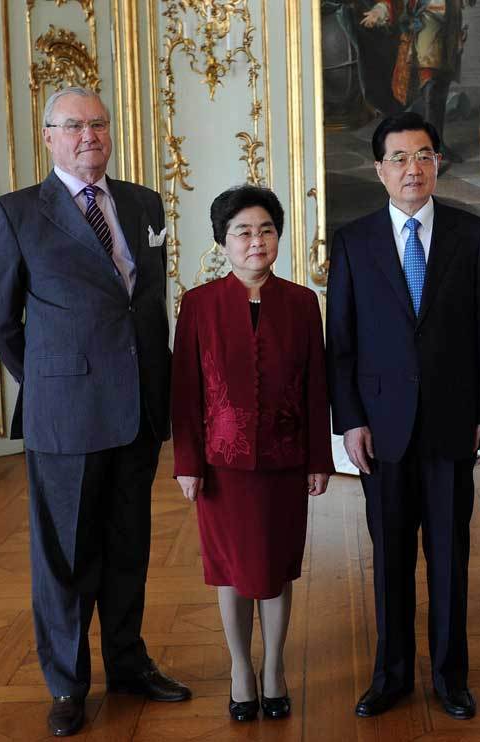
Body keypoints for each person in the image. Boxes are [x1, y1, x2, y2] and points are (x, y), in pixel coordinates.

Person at [0, 87, 190, 737]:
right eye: (73, 126)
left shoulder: (143, 202)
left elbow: (144, 305)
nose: (88, 135)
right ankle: (68, 685)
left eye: (98, 123)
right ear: (49, 137)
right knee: (65, 558)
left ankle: (128, 664)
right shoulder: (16, 213)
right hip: (65, 416)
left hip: (138, 410)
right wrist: (49, 380)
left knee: (128, 548)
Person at [327, 111, 480, 720]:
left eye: (424, 155)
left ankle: (451, 678)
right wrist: (350, 421)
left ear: (438, 163)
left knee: (451, 558)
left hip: (453, 422)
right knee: (390, 559)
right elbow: (341, 341)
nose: (414, 168)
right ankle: (391, 676)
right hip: (381, 429)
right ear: (380, 169)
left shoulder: (471, 234)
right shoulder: (353, 241)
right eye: (400, 158)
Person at [170, 185, 334, 722]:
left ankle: (274, 668)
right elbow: (185, 392)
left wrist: (319, 458)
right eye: (242, 232)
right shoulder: (199, 305)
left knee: (276, 567)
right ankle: (241, 669)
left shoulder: (303, 303)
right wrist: (188, 464)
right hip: (222, 466)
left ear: (278, 237)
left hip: (286, 462)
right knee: (231, 570)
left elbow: (316, 388)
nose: (256, 241)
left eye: (266, 230)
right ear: (223, 241)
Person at [360, 1, 474, 162]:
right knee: (431, 87)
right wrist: (380, 10)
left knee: (441, 87)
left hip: (450, 26)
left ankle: (438, 145)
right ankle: (427, 150)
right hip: (427, 25)